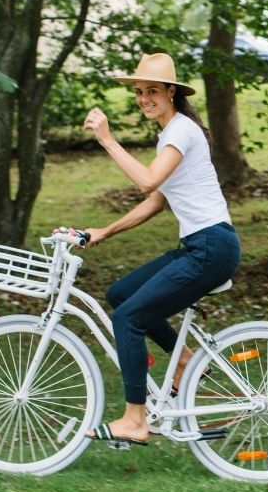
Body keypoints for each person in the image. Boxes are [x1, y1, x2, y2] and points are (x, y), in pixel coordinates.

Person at [74, 53, 241, 447]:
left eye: (152, 91)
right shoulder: (172, 133)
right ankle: (184, 361)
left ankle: (135, 420)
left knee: (128, 319)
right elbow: (157, 201)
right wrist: (105, 231)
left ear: (171, 92)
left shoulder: (181, 130)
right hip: (201, 245)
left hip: (211, 247)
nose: (144, 98)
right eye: (138, 92)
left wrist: (107, 139)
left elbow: (148, 183)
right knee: (120, 295)